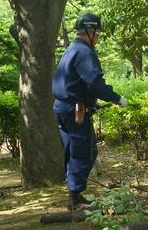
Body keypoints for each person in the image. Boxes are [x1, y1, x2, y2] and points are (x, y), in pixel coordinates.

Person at [52, 13, 128, 209]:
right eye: (97, 33)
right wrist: (116, 98)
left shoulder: (71, 49)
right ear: (90, 31)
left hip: (63, 108)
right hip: (75, 110)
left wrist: (92, 101)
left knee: (72, 151)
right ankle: (74, 199)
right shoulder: (85, 52)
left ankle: (74, 195)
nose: (98, 37)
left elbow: (75, 82)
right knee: (84, 151)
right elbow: (94, 82)